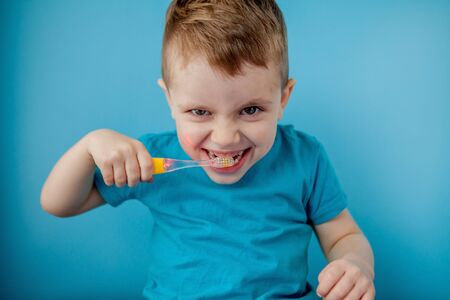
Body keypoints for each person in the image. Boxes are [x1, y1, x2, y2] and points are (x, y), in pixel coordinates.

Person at [40, 0, 375, 299]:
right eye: (200, 112)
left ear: (283, 98)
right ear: (170, 99)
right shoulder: (150, 161)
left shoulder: (304, 158)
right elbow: (58, 204)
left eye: (251, 110)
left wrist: (355, 264)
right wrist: (88, 147)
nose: (225, 138)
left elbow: (342, 235)